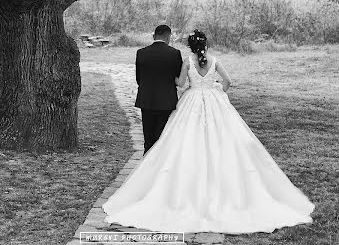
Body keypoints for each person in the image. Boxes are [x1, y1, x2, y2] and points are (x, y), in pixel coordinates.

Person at [103, 30, 315, 234]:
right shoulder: (214, 61)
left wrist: (184, 84)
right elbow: (228, 81)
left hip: (192, 100)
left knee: (181, 141)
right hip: (214, 102)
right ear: (206, 45)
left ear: (191, 47)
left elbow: (180, 83)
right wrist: (218, 90)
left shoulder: (187, 61)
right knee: (224, 140)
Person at [134, 24, 183, 154]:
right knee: (162, 138)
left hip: (147, 100)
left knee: (148, 138)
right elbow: (178, 78)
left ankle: (146, 166)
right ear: (168, 37)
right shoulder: (175, 54)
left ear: (154, 36)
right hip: (166, 101)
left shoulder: (141, 53)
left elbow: (139, 78)